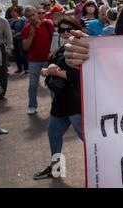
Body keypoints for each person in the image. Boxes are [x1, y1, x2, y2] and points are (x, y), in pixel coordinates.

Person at [33, 17, 83, 180]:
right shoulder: (63, 48)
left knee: (88, 139)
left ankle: (108, 166)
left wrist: (52, 71)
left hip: (75, 102)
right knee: (53, 134)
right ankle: (55, 169)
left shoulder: (80, 47)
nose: (65, 33)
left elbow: (76, 75)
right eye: (62, 30)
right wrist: (51, 68)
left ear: (76, 29)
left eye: (69, 29)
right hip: (61, 101)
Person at [22, 6, 55, 115]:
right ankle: (32, 106)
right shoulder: (27, 28)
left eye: (33, 14)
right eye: (28, 16)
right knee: (33, 84)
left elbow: (55, 39)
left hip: (48, 58)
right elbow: (25, 47)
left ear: (37, 13)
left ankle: (55, 105)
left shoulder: (47, 24)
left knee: (52, 83)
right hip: (34, 60)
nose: (32, 17)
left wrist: (53, 52)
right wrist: (31, 35)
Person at [9, 7, 28, 74]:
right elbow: (7, 29)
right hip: (13, 39)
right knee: (16, 54)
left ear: (18, 13)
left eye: (14, 12)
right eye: (12, 13)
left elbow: (24, 30)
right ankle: (19, 68)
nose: (13, 14)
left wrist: (17, 34)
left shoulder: (22, 20)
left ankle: (26, 68)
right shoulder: (10, 21)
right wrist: (11, 31)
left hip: (20, 39)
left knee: (22, 54)